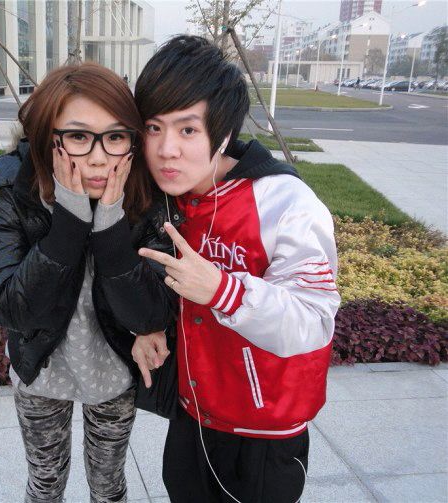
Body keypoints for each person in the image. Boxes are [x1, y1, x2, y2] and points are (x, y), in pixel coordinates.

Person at [131, 35, 341, 502]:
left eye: (188, 130)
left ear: (222, 133)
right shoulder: (167, 197)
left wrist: (225, 291)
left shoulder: (284, 202)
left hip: (263, 430)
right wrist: (147, 326)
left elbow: (313, 319)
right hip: (192, 413)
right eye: (153, 128)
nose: (166, 149)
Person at [0, 63, 176, 503]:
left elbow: (152, 313)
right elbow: (12, 308)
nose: (99, 157)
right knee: (45, 484)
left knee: (108, 486)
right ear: (46, 136)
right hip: (41, 367)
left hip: (113, 369)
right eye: (78, 136)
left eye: (115, 136)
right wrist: (69, 221)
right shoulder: (14, 191)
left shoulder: (148, 196)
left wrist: (110, 224)